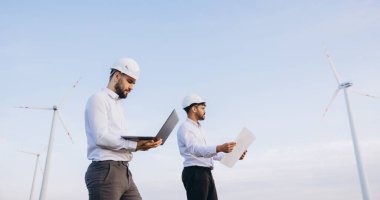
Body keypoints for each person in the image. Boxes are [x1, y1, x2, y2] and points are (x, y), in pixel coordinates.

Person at [84, 57, 162, 200]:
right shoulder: (98, 99)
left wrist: (141, 145)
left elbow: (118, 139)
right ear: (117, 76)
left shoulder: (118, 106)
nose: (132, 87)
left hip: (124, 170)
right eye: (130, 81)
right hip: (105, 171)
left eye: (134, 84)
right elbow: (100, 137)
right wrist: (134, 145)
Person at [177, 94, 247, 200]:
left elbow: (209, 154)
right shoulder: (185, 127)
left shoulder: (199, 128)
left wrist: (234, 155)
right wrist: (219, 147)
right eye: (202, 108)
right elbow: (195, 150)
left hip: (205, 173)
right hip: (195, 173)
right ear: (194, 109)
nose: (205, 111)